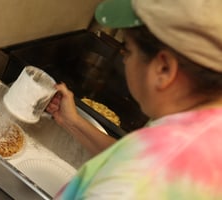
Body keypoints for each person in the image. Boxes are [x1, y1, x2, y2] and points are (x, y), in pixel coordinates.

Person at [46, 0, 222, 199]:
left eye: (127, 50)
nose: (124, 60)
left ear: (164, 69)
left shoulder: (130, 186)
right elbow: (135, 156)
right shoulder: (205, 126)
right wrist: (74, 123)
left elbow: (142, 171)